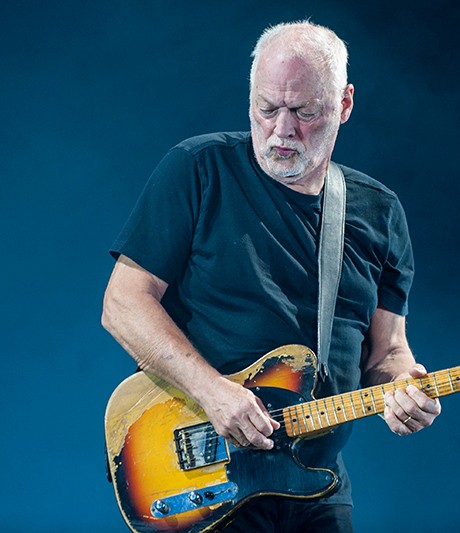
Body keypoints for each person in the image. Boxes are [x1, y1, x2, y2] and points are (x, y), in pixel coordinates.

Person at [101, 20, 441, 532]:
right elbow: (123, 303)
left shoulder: (379, 211)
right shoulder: (198, 169)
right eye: (267, 108)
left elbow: (388, 350)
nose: (282, 129)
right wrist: (214, 391)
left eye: (304, 111)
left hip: (315, 480)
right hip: (206, 473)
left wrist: (402, 388)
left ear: (344, 104)